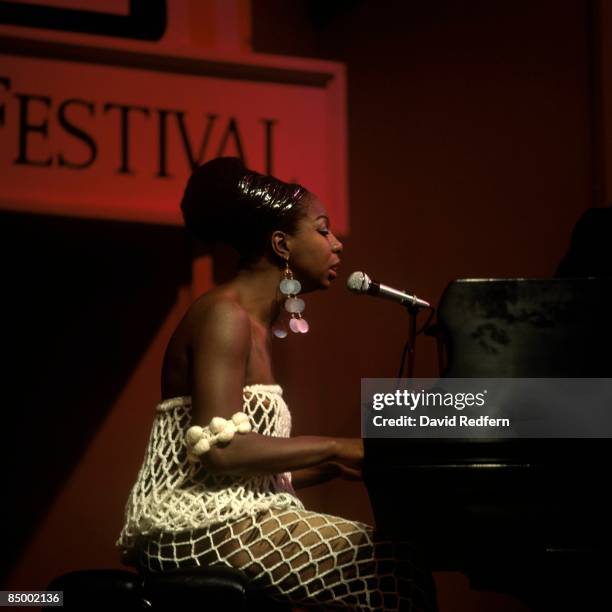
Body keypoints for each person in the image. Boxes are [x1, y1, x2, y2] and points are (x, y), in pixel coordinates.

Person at [117, 157, 438, 611]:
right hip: (192, 527)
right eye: (323, 230)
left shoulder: (254, 325)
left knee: (400, 563)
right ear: (281, 244)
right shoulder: (224, 317)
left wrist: (338, 464)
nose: (338, 244)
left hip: (233, 516)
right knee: (395, 569)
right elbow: (221, 450)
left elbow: (250, 475)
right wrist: (335, 447)